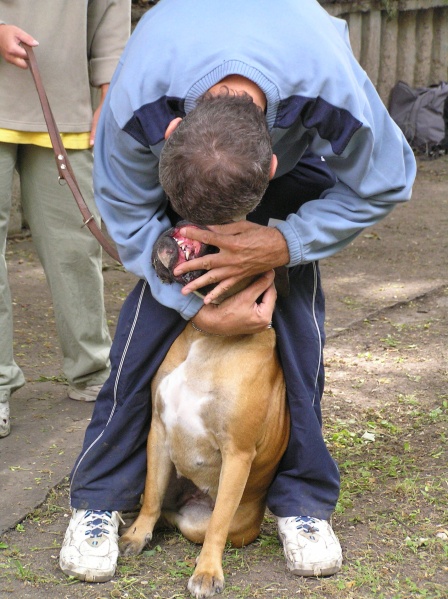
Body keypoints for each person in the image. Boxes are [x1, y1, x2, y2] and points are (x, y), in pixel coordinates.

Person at [59, 0, 417, 584]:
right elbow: (126, 218)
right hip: (188, 153)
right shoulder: (137, 103)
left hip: (287, 155)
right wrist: (191, 295)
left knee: (295, 324)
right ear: (169, 134)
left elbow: (389, 179)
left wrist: (285, 244)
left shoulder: (329, 87)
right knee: (145, 330)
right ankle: (99, 499)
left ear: (271, 163)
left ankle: (301, 503)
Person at [0, 1, 131, 438]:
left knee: (76, 247)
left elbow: (111, 9)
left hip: (62, 101)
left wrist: (109, 91)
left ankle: (93, 371)